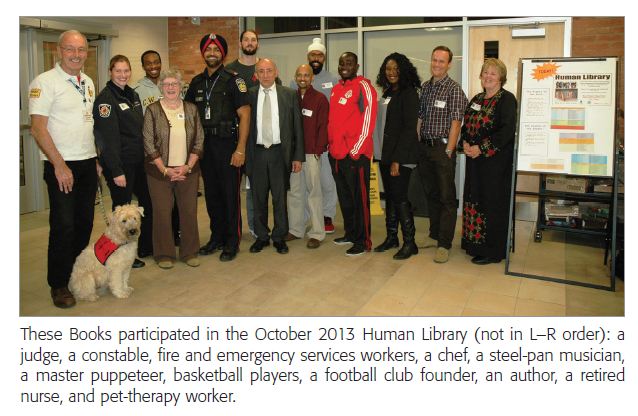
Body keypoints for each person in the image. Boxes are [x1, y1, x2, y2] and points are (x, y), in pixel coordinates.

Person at [29, 30, 101, 308]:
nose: (76, 55)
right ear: (58, 51)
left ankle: (75, 275)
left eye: (81, 50)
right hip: (60, 164)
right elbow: (37, 128)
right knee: (63, 226)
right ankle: (58, 284)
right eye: (70, 49)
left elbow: (87, 124)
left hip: (85, 162)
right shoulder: (45, 82)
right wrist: (59, 165)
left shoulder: (88, 82)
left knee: (84, 224)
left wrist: (93, 157)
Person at [185, 34, 250, 262]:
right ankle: (217, 237)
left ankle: (232, 241)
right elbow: (189, 117)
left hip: (228, 145)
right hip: (205, 147)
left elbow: (245, 116)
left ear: (223, 53)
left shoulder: (234, 80)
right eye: (208, 49)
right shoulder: (196, 83)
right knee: (212, 195)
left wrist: (240, 149)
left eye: (216, 49)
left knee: (230, 195)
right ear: (203, 53)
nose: (212, 53)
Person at [93, 54, 153, 268]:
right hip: (120, 165)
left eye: (126, 70)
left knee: (146, 203)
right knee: (122, 216)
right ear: (110, 72)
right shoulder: (106, 100)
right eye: (118, 71)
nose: (123, 74)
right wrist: (116, 170)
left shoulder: (132, 94)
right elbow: (107, 139)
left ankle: (146, 246)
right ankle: (122, 255)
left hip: (137, 161)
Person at [143, 69, 204, 269]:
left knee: (188, 211)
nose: (170, 87)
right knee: (162, 212)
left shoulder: (191, 109)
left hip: (188, 171)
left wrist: (188, 166)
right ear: (161, 87)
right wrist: (164, 169)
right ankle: (163, 254)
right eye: (167, 84)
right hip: (159, 173)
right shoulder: (152, 110)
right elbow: (148, 142)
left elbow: (199, 139)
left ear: (181, 86)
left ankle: (189, 252)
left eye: (174, 83)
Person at [460, 58, 517, 265]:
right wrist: (465, 142)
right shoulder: (476, 99)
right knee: (474, 201)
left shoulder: (506, 99)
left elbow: (506, 132)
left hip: (495, 163)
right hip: (475, 162)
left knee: (491, 204)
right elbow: (466, 125)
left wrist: (481, 148)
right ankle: (475, 245)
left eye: (493, 73)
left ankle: (492, 251)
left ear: (501, 77)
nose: (488, 76)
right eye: (485, 72)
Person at [226, 29, 281, 239]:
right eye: (246, 40)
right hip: (241, 138)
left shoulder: (266, 66)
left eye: (254, 40)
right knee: (250, 188)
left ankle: (271, 229)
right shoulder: (231, 70)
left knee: (267, 189)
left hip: (264, 139)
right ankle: (253, 227)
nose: (250, 43)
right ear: (240, 43)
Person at [246, 59, 305, 255]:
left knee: (280, 199)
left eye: (269, 70)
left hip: (280, 153)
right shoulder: (250, 95)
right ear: (256, 74)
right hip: (257, 153)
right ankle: (261, 236)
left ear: (276, 72)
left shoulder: (289, 94)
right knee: (258, 198)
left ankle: (280, 236)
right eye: (261, 71)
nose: (265, 75)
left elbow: (298, 127)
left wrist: (297, 156)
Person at [416, 45, 467, 263]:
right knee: (432, 196)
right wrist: (418, 140)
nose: (437, 64)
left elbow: (457, 123)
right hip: (425, 148)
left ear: (449, 64)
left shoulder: (454, 89)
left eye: (441, 61)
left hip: (443, 149)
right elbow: (420, 117)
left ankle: (445, 244)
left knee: (447, 198)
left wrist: (449, 151)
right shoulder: (425, 86)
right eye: (434, 60)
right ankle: (434, 235)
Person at [372, 52, 421, 260]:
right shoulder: (387, 93)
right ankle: (392, 237)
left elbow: (410, 129)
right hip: (385, 154)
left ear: (403, 69)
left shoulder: (408, 93)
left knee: (400, 198)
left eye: (395, 68)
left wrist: (397, 159)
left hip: (400, 157)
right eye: (388, 69)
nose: (391, 72)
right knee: (391, 197)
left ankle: (410, 243)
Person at [328, 52, 377, 256]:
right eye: (341, 63)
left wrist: (355, 150)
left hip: (355, 155)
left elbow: (368, 120)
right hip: (337, 155)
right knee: (346, 198)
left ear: (357, 66)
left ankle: (363, 241)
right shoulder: (337, 89)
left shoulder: (363, 87)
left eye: (349, 63)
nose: (344, 66)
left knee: (359, 200)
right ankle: (350, 233)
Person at [289, 38, 340, 234]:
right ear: (308, 57)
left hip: (322, 145)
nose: (316, 58)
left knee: (326, 183)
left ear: (324, 58)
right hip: (301, 146)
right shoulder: (294, 85)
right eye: (313, 55)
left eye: (319, 55)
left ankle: (327, 217)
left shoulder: (333, 80)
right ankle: (300, 222)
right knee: (299, 188)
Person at [134, 50, 181, 247]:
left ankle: (174, 235)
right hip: (153, 155)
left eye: (156, 62)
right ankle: (148, 242)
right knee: (152, 201)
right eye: (148, 63)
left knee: (176, 199)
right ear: (143, 66)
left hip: (175, 153)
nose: (153, 66)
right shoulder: (136, 90)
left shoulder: (171, 84)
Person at [284, 64, 329, 249]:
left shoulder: (320, 99)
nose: (303, 78)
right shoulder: (290, 98)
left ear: (312, 78)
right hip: (295, 156)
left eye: (306, 75)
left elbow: (323, 127)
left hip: (311, 155)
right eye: (300, 75)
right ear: (295, 77)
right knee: (295, 193)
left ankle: (317, 232)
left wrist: (318, 150)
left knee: (315, 193)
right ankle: (295, 229)